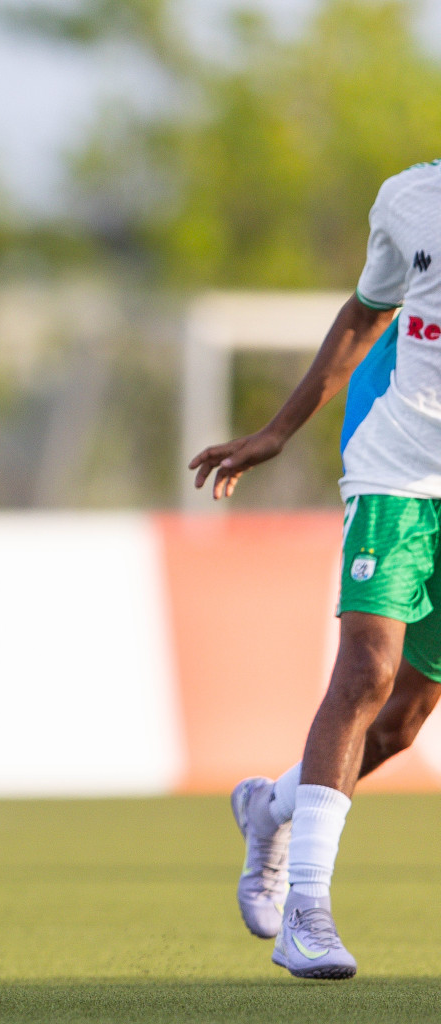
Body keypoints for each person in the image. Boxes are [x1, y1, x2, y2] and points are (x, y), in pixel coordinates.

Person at [190, 159, 441, 979]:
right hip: (397, 470)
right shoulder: (409, 198)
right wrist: (277, 430)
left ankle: (270, 808)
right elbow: (365, 314)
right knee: (368, 671)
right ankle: (307, 912)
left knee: (400, 723)